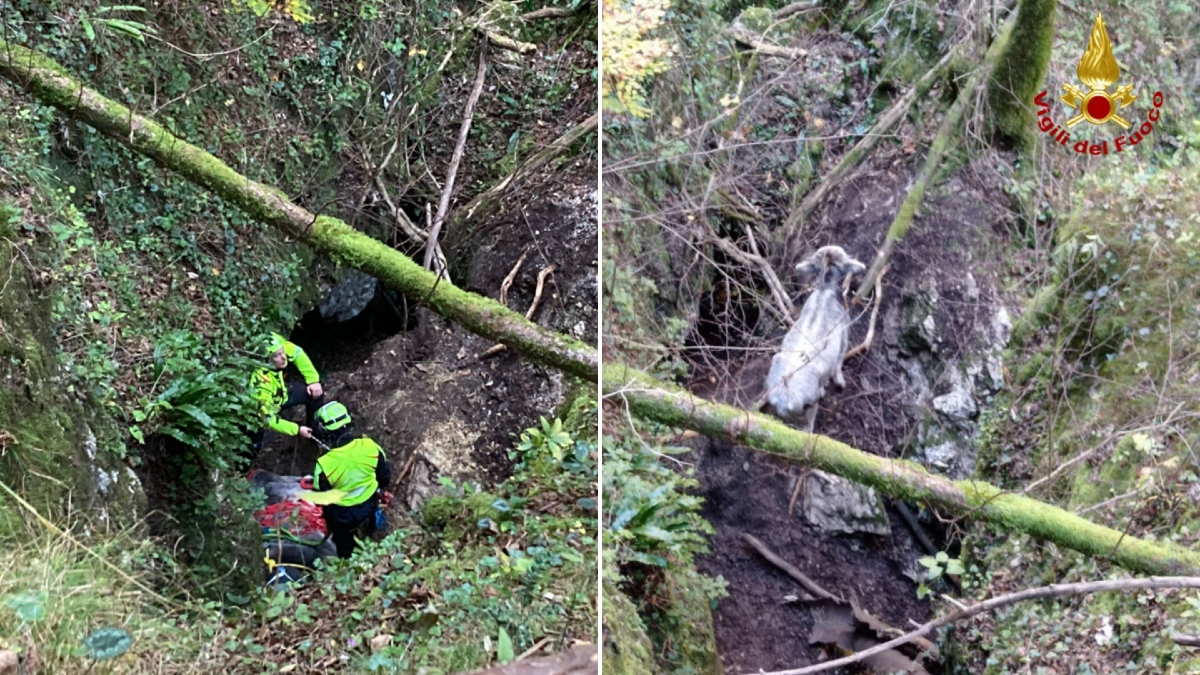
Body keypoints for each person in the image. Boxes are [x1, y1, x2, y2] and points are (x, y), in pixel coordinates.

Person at [310, 401, 391, 559]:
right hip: (369, 504)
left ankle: (345, 560)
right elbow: (385, 475)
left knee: (344, 545)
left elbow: (321, 497)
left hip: (342, 516)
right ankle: (370, 534)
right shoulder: (370, 447)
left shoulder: (324, 464)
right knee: (367, 526)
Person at [250, 332, 325, 451]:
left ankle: (315, 432)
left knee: (315, 395)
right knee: (255, 440)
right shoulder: (261, 384)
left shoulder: (275, 341)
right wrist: (296, 429)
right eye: (277, 355)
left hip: (282, 394)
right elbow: (266, 418)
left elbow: (297, 352)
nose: (284, 357)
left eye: (282, 352)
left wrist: (313, 380)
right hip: (265, 410)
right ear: (266, 360)